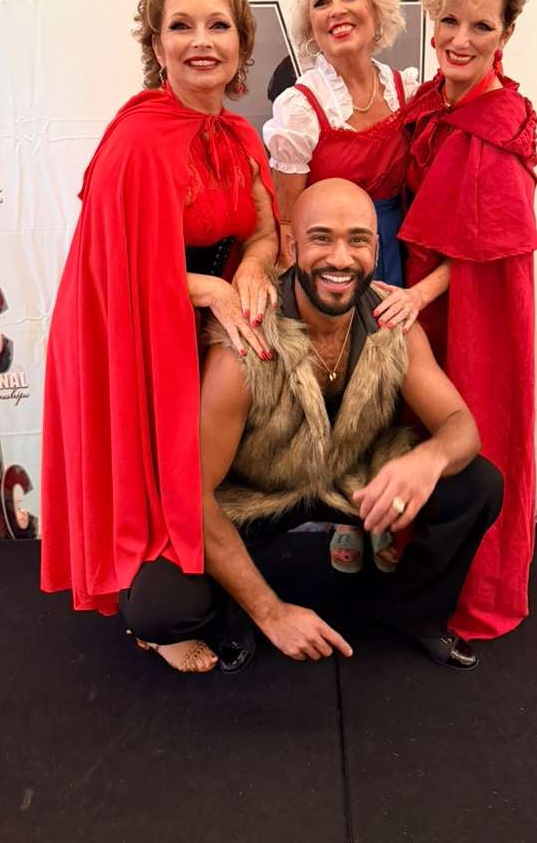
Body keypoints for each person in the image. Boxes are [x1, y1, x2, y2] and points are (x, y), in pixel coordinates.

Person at [119, 179, 504, 673]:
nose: (340, 258)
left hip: (350, 476)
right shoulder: (245, 342)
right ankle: (238, 614)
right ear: (292, 246)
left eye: (358, 240)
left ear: (376, 248)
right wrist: (272, 612)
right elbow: (194, 494)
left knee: (477, 483)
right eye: (321, 238)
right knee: (158, 608)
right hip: (255, 491)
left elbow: (461, 427)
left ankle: (412, 612)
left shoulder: (391, 320)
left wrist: (426, 461)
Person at [41, 0, 279, 672]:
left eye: (217, 25)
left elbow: (265, 228)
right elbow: (111, 279)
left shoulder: (239, 136)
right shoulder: (138, 141)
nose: (201, 41)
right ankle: (153, 615)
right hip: (134, 338)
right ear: (157, 45)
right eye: (182, 26)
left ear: (241, 41)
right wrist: (207, 288)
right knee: (154, 499)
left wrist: (256, 265)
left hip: (205, 335)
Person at [394, 0, 537, 641]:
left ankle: (472, 595)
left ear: (506, 34)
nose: (459, 39)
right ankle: (415, 578)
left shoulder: (495, 125)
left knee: (476, 434)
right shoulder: (435, 101)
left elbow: (484, 255)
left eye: (481, 27)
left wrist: (418, 298)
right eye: (449, 21)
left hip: (474, 315)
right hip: (425, 305)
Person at [263, 0, 421, 573]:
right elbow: (286, 218)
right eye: (320, 2)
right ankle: (347, 513)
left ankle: (388, 501)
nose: (336, 10)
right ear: (310, 26)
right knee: (339, 387)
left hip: (393, 247)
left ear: (375, 9)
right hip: (334, 259)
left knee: (390, 384)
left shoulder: (405, 85)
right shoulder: (301, 106)